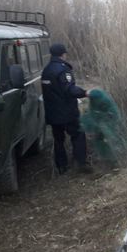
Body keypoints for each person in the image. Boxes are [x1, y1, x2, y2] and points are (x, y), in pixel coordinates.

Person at [41, 43, 91, 175]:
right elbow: (69, 89)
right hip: (67, 113)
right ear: (63, 54)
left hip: (53, 113)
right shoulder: (63, 70)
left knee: (58, 140)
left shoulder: (46, 70)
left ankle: (62, 166)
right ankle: (81, 163)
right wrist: (85, 93)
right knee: (78, 134)